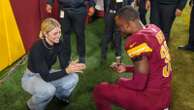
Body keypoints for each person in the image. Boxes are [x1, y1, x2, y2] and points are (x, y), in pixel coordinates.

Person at [93, 6, 172, 110]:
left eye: (119, 27)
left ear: (128, 25)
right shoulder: (154, 29)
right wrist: (127, 68)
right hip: (164, 95)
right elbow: (153, 65)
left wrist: (119, 81)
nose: (119, 30)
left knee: (100, 90)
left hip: (151, 101)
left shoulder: (137, 40)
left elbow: (138, 85)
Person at [21, 18, 86, 110]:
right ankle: (32, 106)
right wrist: (67, 70)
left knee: (74, 77)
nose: (59, 36)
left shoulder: (58, 42)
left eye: (59, 32)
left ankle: (60, 97)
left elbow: (63, 64)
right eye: (55, 33)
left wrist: (70, 65)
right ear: (45, 34)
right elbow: (46, 77)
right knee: (49, 90)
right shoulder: (37, 48)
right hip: (31, 77)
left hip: (47, 72)